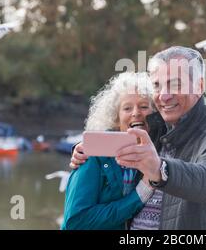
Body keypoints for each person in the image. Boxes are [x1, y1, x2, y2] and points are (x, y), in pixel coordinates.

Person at [71, 46, 206, 230]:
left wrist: (160, 169)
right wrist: (85, 148)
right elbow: (119, 131)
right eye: (157, 85)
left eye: (175, 84)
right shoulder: (154, 127)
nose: (164, 96)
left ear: (199, 86)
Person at [62, 72, 155, 230]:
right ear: (116, 118)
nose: (136, 113)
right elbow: (76, 222)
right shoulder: (91, 154)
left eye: (144, 106)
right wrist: (140, 194)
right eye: (127, 108)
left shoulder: (157, 155)